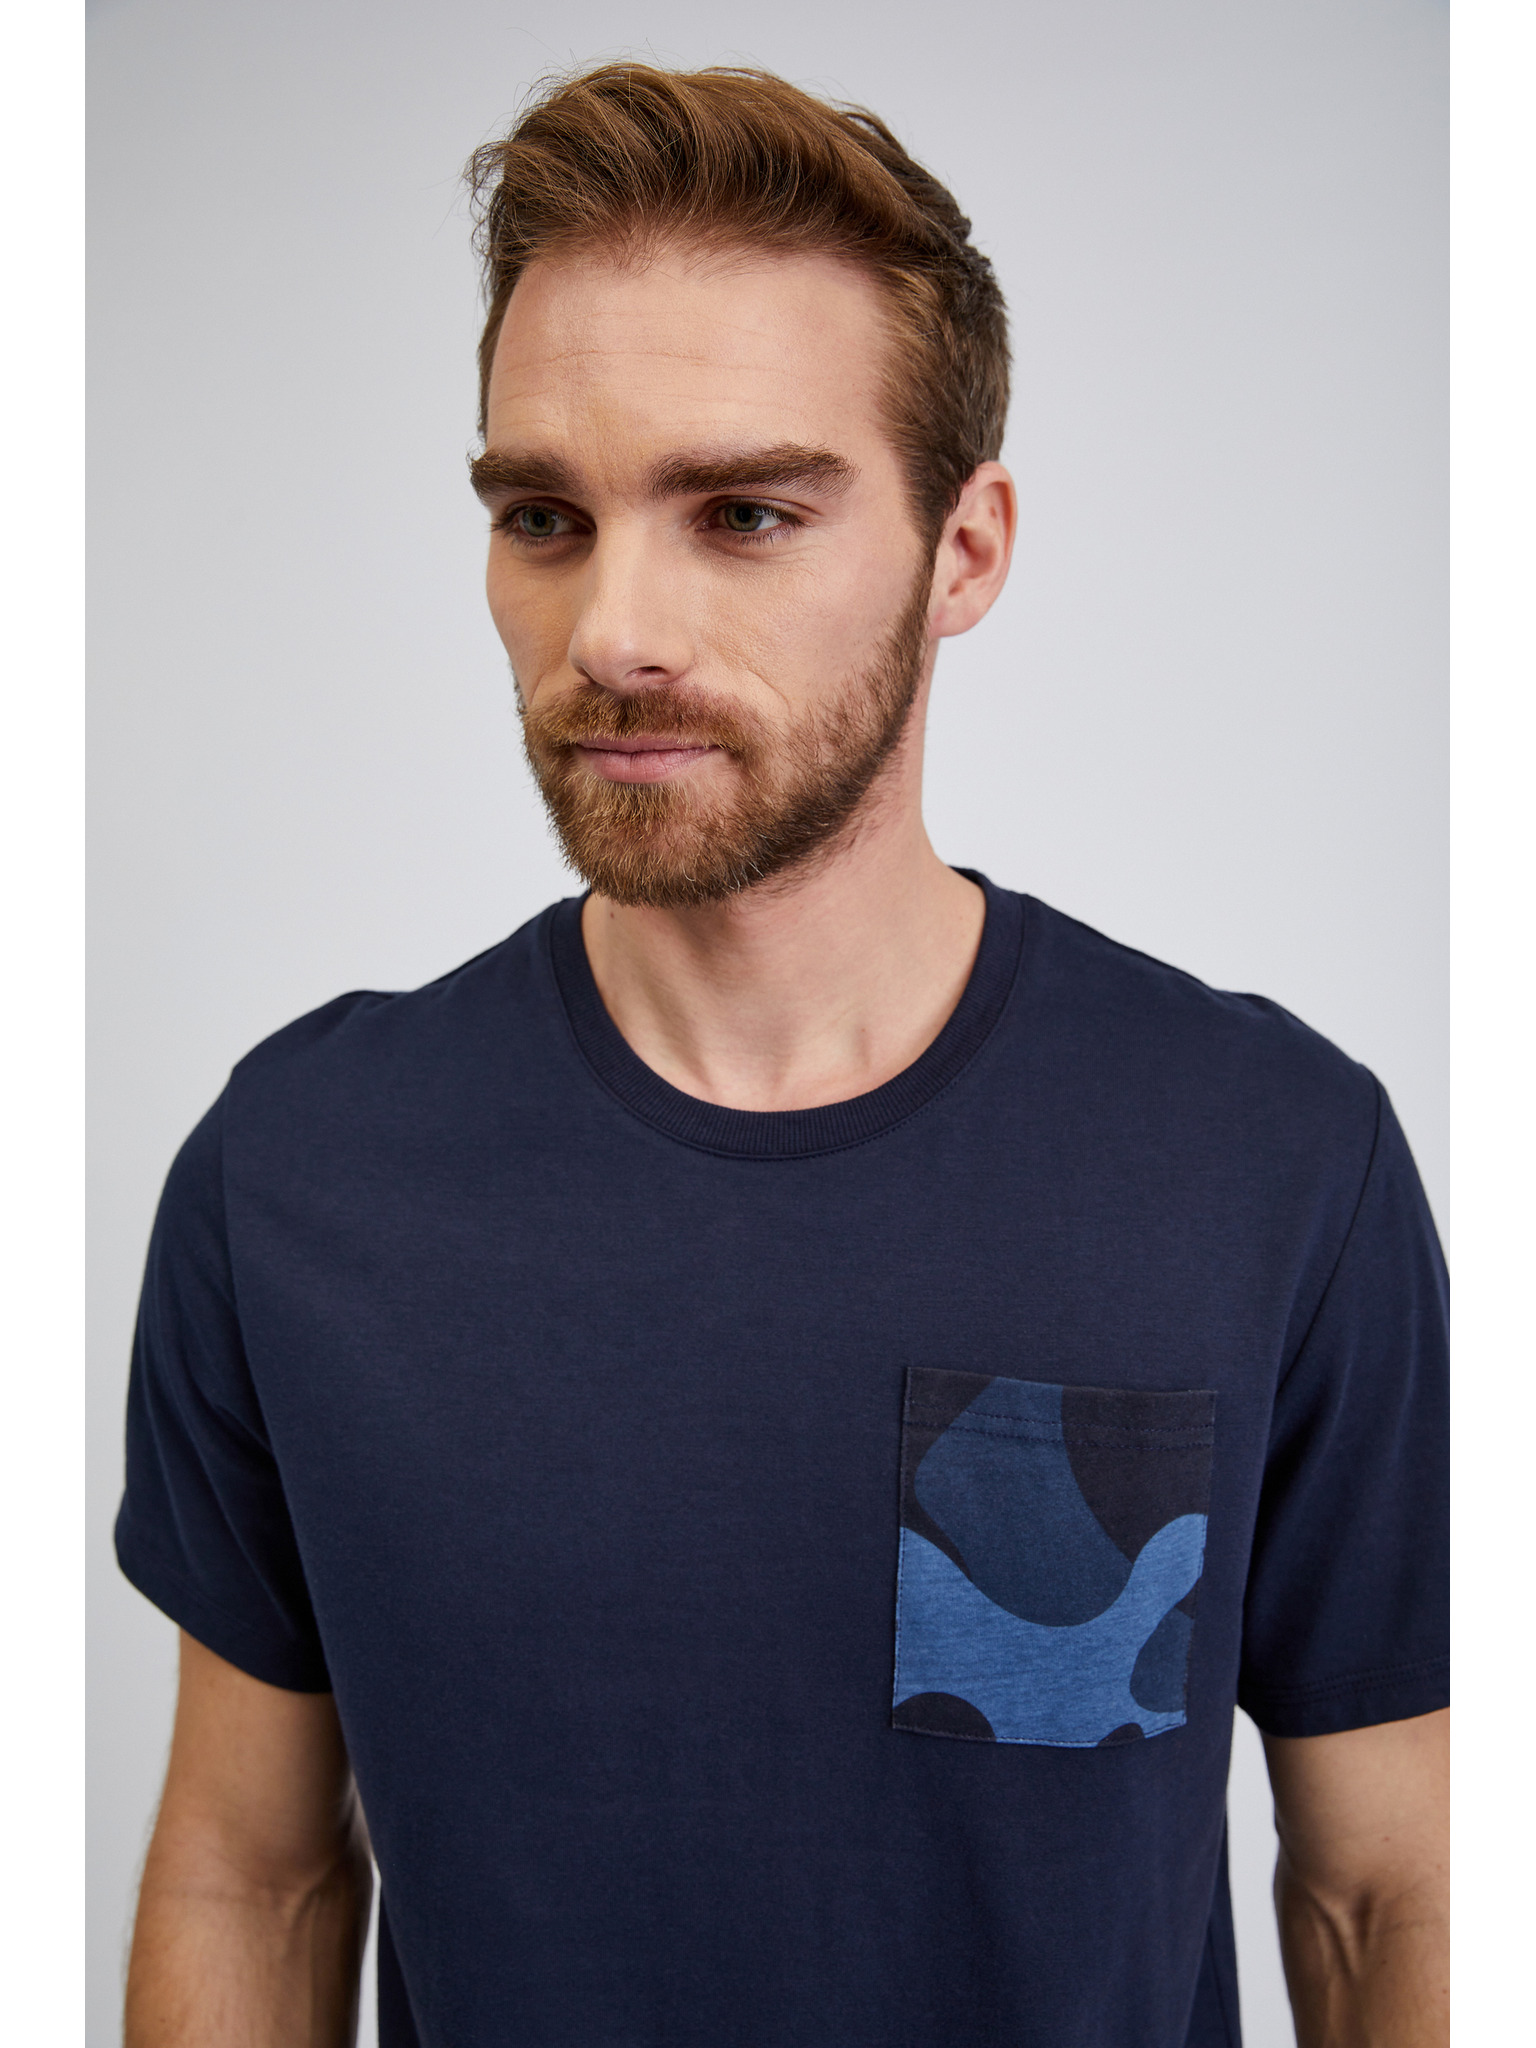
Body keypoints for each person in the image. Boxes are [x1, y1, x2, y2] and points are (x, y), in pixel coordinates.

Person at [116, 62, 1448, 2048]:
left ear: (964, 551)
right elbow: (256, 1872)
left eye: (741, 512)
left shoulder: (1270, 1160)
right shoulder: (298, 1174)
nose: (614, 627)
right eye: (544, 517)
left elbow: (1386, 1892)